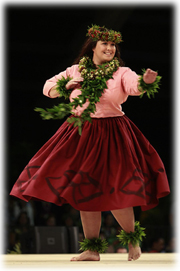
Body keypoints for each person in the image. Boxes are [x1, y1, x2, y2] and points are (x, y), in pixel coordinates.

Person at [10, 25, 170, 261]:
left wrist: (145, 82)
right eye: (104, 44)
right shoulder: (75, 70)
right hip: (80, 131)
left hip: (112, 133)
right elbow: (47, 87)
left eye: (113, 44)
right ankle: (92, 248)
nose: (109, 48)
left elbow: (134, 86)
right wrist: (63, 86)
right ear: (92, 47)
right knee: (84, 189)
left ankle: (133, 240)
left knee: (117, 187)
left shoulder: (121, 72)